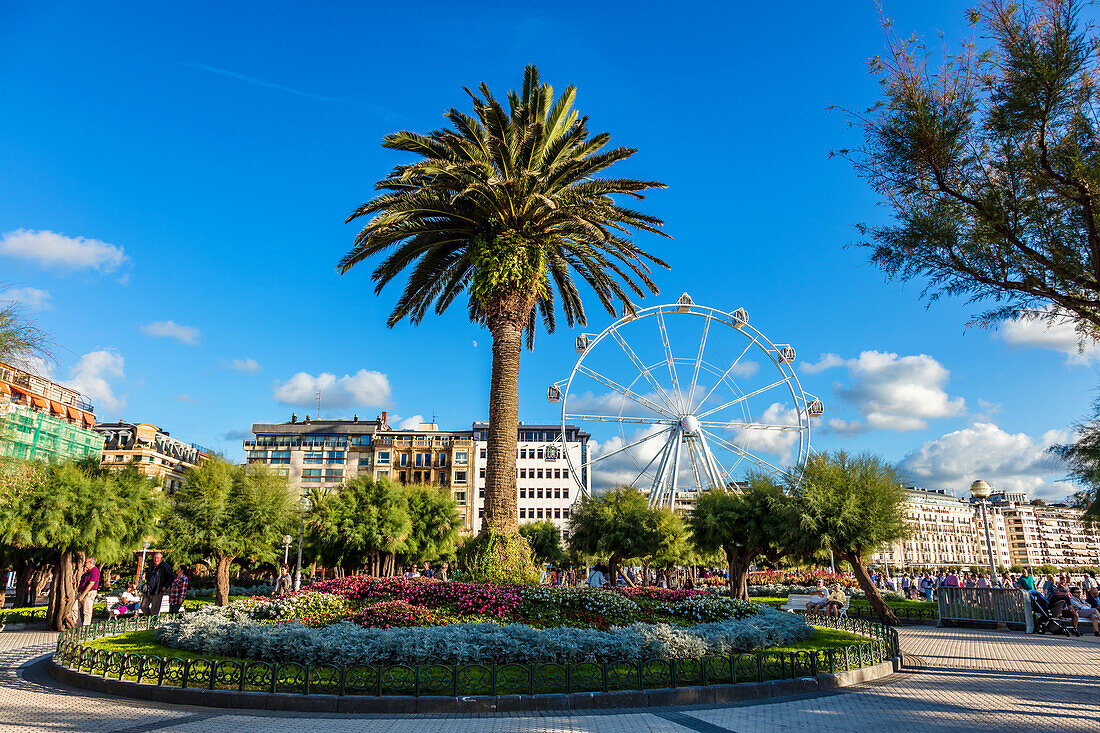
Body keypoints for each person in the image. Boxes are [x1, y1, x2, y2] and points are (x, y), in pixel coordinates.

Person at [140, 552, 174, 616]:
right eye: (155, 558)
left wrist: (165, 586)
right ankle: (149, 619)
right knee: (143, 606)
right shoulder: (152, 566)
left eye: (157, 558)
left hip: (158, 590)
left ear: (161, 559)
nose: (156, 559)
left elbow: (171, 577)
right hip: (149, 590)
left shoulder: (164, 566)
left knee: (154, 610)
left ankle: (152, 623)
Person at [76, 556, 100, 626]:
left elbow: (91, 584)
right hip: (82, 592)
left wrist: (83, 595)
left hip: (89, 593)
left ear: (91, 563)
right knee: (74, 609)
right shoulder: (88, 572)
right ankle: (77, 625)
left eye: (86, 562)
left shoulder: (95, 571)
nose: (84, 563)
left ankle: (85, 627)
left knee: (87, 611)